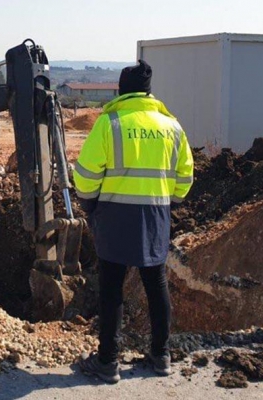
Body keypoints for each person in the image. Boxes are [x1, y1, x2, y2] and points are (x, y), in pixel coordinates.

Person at [72, 61, 194, 383]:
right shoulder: (172, 126)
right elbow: (185, 177)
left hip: (114, 216)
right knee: (156, 283)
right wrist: (169, 202)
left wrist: (91, 204)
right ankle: (161, 355)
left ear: (122, 90)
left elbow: (85, 176)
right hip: (155, 214)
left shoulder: (110, 122)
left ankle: (108, 362)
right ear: (149, 91)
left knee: (112, 287)